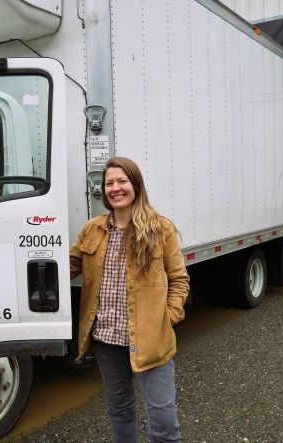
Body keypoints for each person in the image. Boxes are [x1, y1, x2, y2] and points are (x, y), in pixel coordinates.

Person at [70, 156, 190, 443]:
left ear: (136, 185)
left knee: (163, 418)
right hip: (106, 338)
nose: (115, 188)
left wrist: (168, 317)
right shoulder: (92, 229)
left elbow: (179, 280)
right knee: (120, 410)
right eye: (109, 182)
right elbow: (66, 267)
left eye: (122, 181)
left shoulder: (160, 228)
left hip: (151, 338)